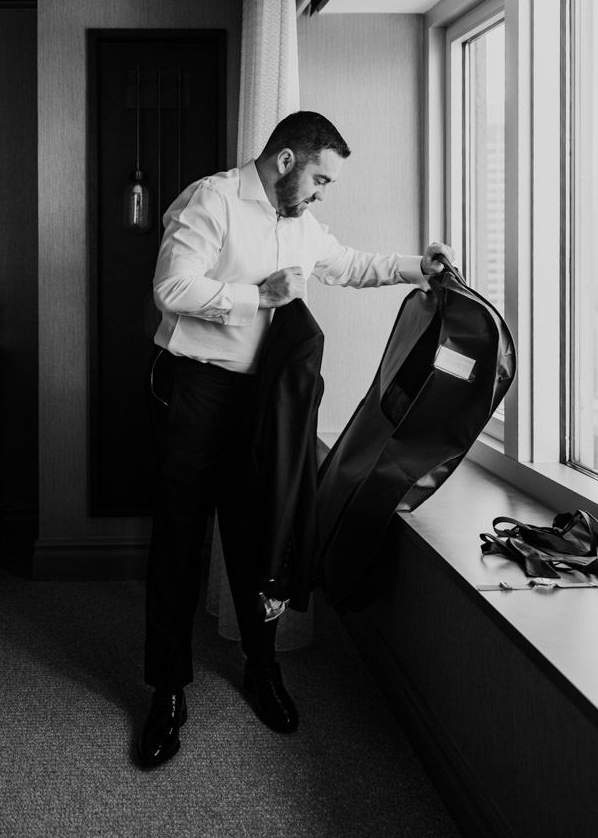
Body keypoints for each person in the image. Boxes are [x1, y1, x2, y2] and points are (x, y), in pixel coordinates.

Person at [137, 110, 454, 768]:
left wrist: (415, 267)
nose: (319, 193)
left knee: (262, 536)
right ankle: (166, 692)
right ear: (285, 160)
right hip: (197, 394)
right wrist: (257, 295)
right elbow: (170, 287)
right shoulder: (212, 199)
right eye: (318, 178)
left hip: (263, 403)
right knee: (177, 541)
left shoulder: (301, 224)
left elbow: (344, 264)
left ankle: (261, 667)